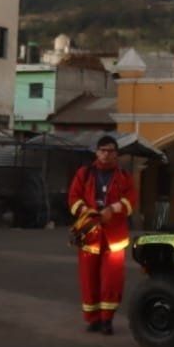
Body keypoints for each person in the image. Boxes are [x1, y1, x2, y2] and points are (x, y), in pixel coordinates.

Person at [67, 135, 137, 335]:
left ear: (116, 154)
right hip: (89, 234)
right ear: (97, 152)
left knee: (112, 280)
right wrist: (85, 211)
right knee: (88, 279)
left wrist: (113, 209)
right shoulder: (84, 173)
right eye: (103, 150)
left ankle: (107, 320)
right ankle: (93, 319)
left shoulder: (124, 176)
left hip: (114, 237)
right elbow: (73, 197)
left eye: (111, 151)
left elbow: (131, 199)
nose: (106, 154)